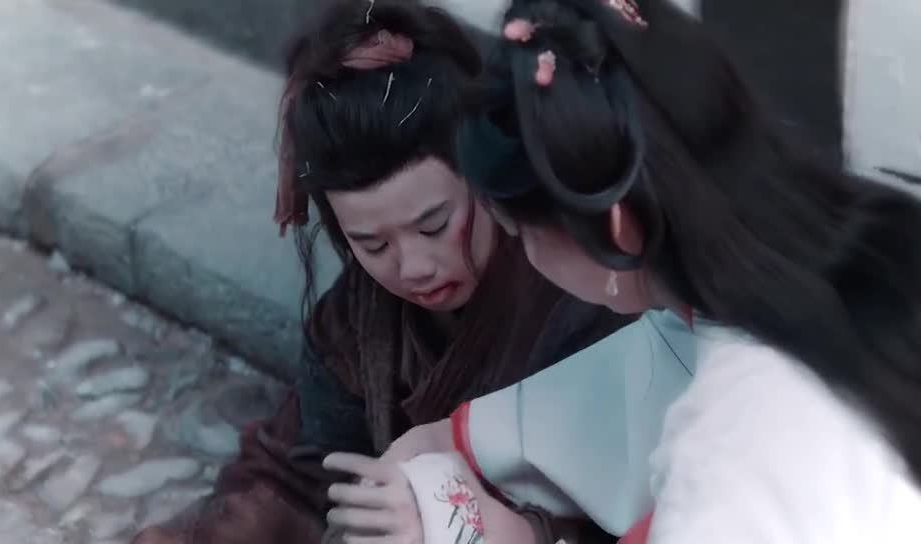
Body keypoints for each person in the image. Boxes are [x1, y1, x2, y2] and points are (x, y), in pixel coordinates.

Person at [321, 0, 921, 543]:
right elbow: (535, 419)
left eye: (515, 230)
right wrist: (447, 475)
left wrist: (480, 530)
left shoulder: (743, 444)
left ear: (616, 227)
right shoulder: (883, 255)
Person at [130, 1, 632, 543]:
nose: (413, 268)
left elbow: (622, 503)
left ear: (483, 178)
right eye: (373, 243)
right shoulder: (357, 316)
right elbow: (300, 472)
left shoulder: (583, 301)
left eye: (434, 225)